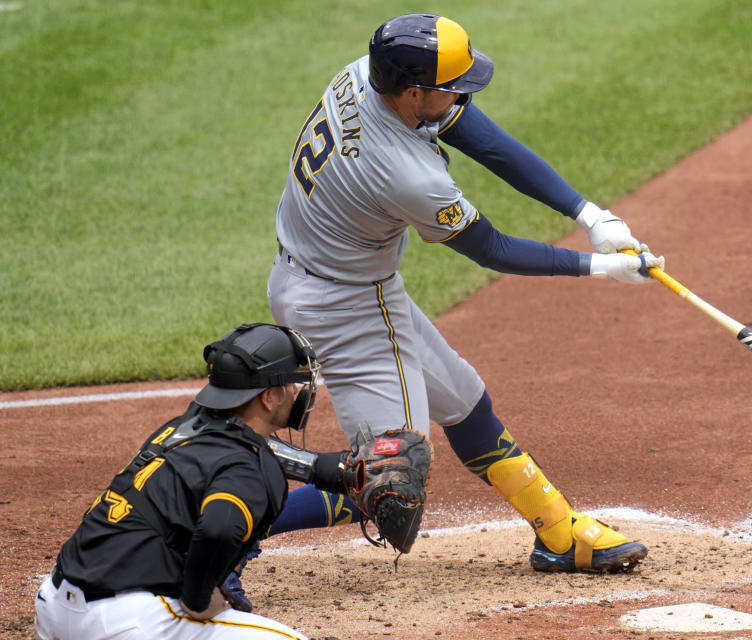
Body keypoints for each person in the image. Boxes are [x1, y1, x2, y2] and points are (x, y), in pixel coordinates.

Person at [267, 13, 664, 575]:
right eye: (449, 84)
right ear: (412, 92)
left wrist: (588, 213)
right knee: (385, 482)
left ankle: (558, 529)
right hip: (347, 306)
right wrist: (599, 267)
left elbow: (478, 135)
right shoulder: (406, 175)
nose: (459, 91)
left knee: (464, 400)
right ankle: (225, 533)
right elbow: (492, 249)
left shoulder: (365, 75)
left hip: (327, 278)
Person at [34, 323, 345, 640]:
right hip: (127, 623)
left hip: (54, 606)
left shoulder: (179, 430)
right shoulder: (247, 466)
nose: (300, 390)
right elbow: (219, 528)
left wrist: (322, 467)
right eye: (293, 383)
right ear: (269, 398)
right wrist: (199, 599)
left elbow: (235, 447)